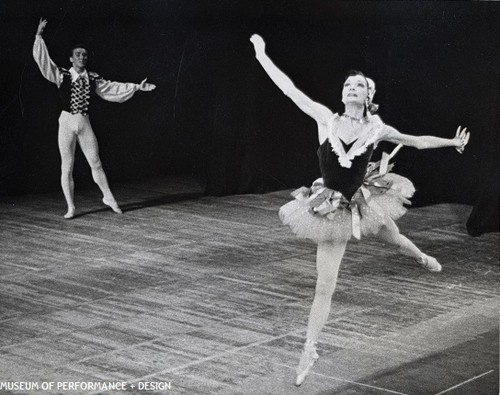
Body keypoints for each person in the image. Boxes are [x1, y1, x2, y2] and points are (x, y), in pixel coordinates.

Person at [250, 34, 470, 386]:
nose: (352, 88)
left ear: (368, 95)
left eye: (359, 85)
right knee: (326, 285)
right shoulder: (325, 119)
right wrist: (262, 54)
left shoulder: (377, 129)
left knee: (395, 238)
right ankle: (309, 349)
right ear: (342, 95)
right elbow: (289, 90)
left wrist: (452, 142)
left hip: (364, 201)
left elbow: (416, 141)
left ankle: (420, 257)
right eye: (347, 85)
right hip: (330, 210)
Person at [33, 18, 156, 219]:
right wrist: (38, 36)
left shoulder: (92, 78)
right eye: (78, 55)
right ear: (71, 59)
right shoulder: (61, 75)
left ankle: (109, 197)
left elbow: (112, 88)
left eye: (84, 55)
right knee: (67, 165)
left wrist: (136, 87)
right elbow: (44, 62)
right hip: (66, 122)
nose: (82, 57)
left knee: (95, 162)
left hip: (84, 122)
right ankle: (71, 207)